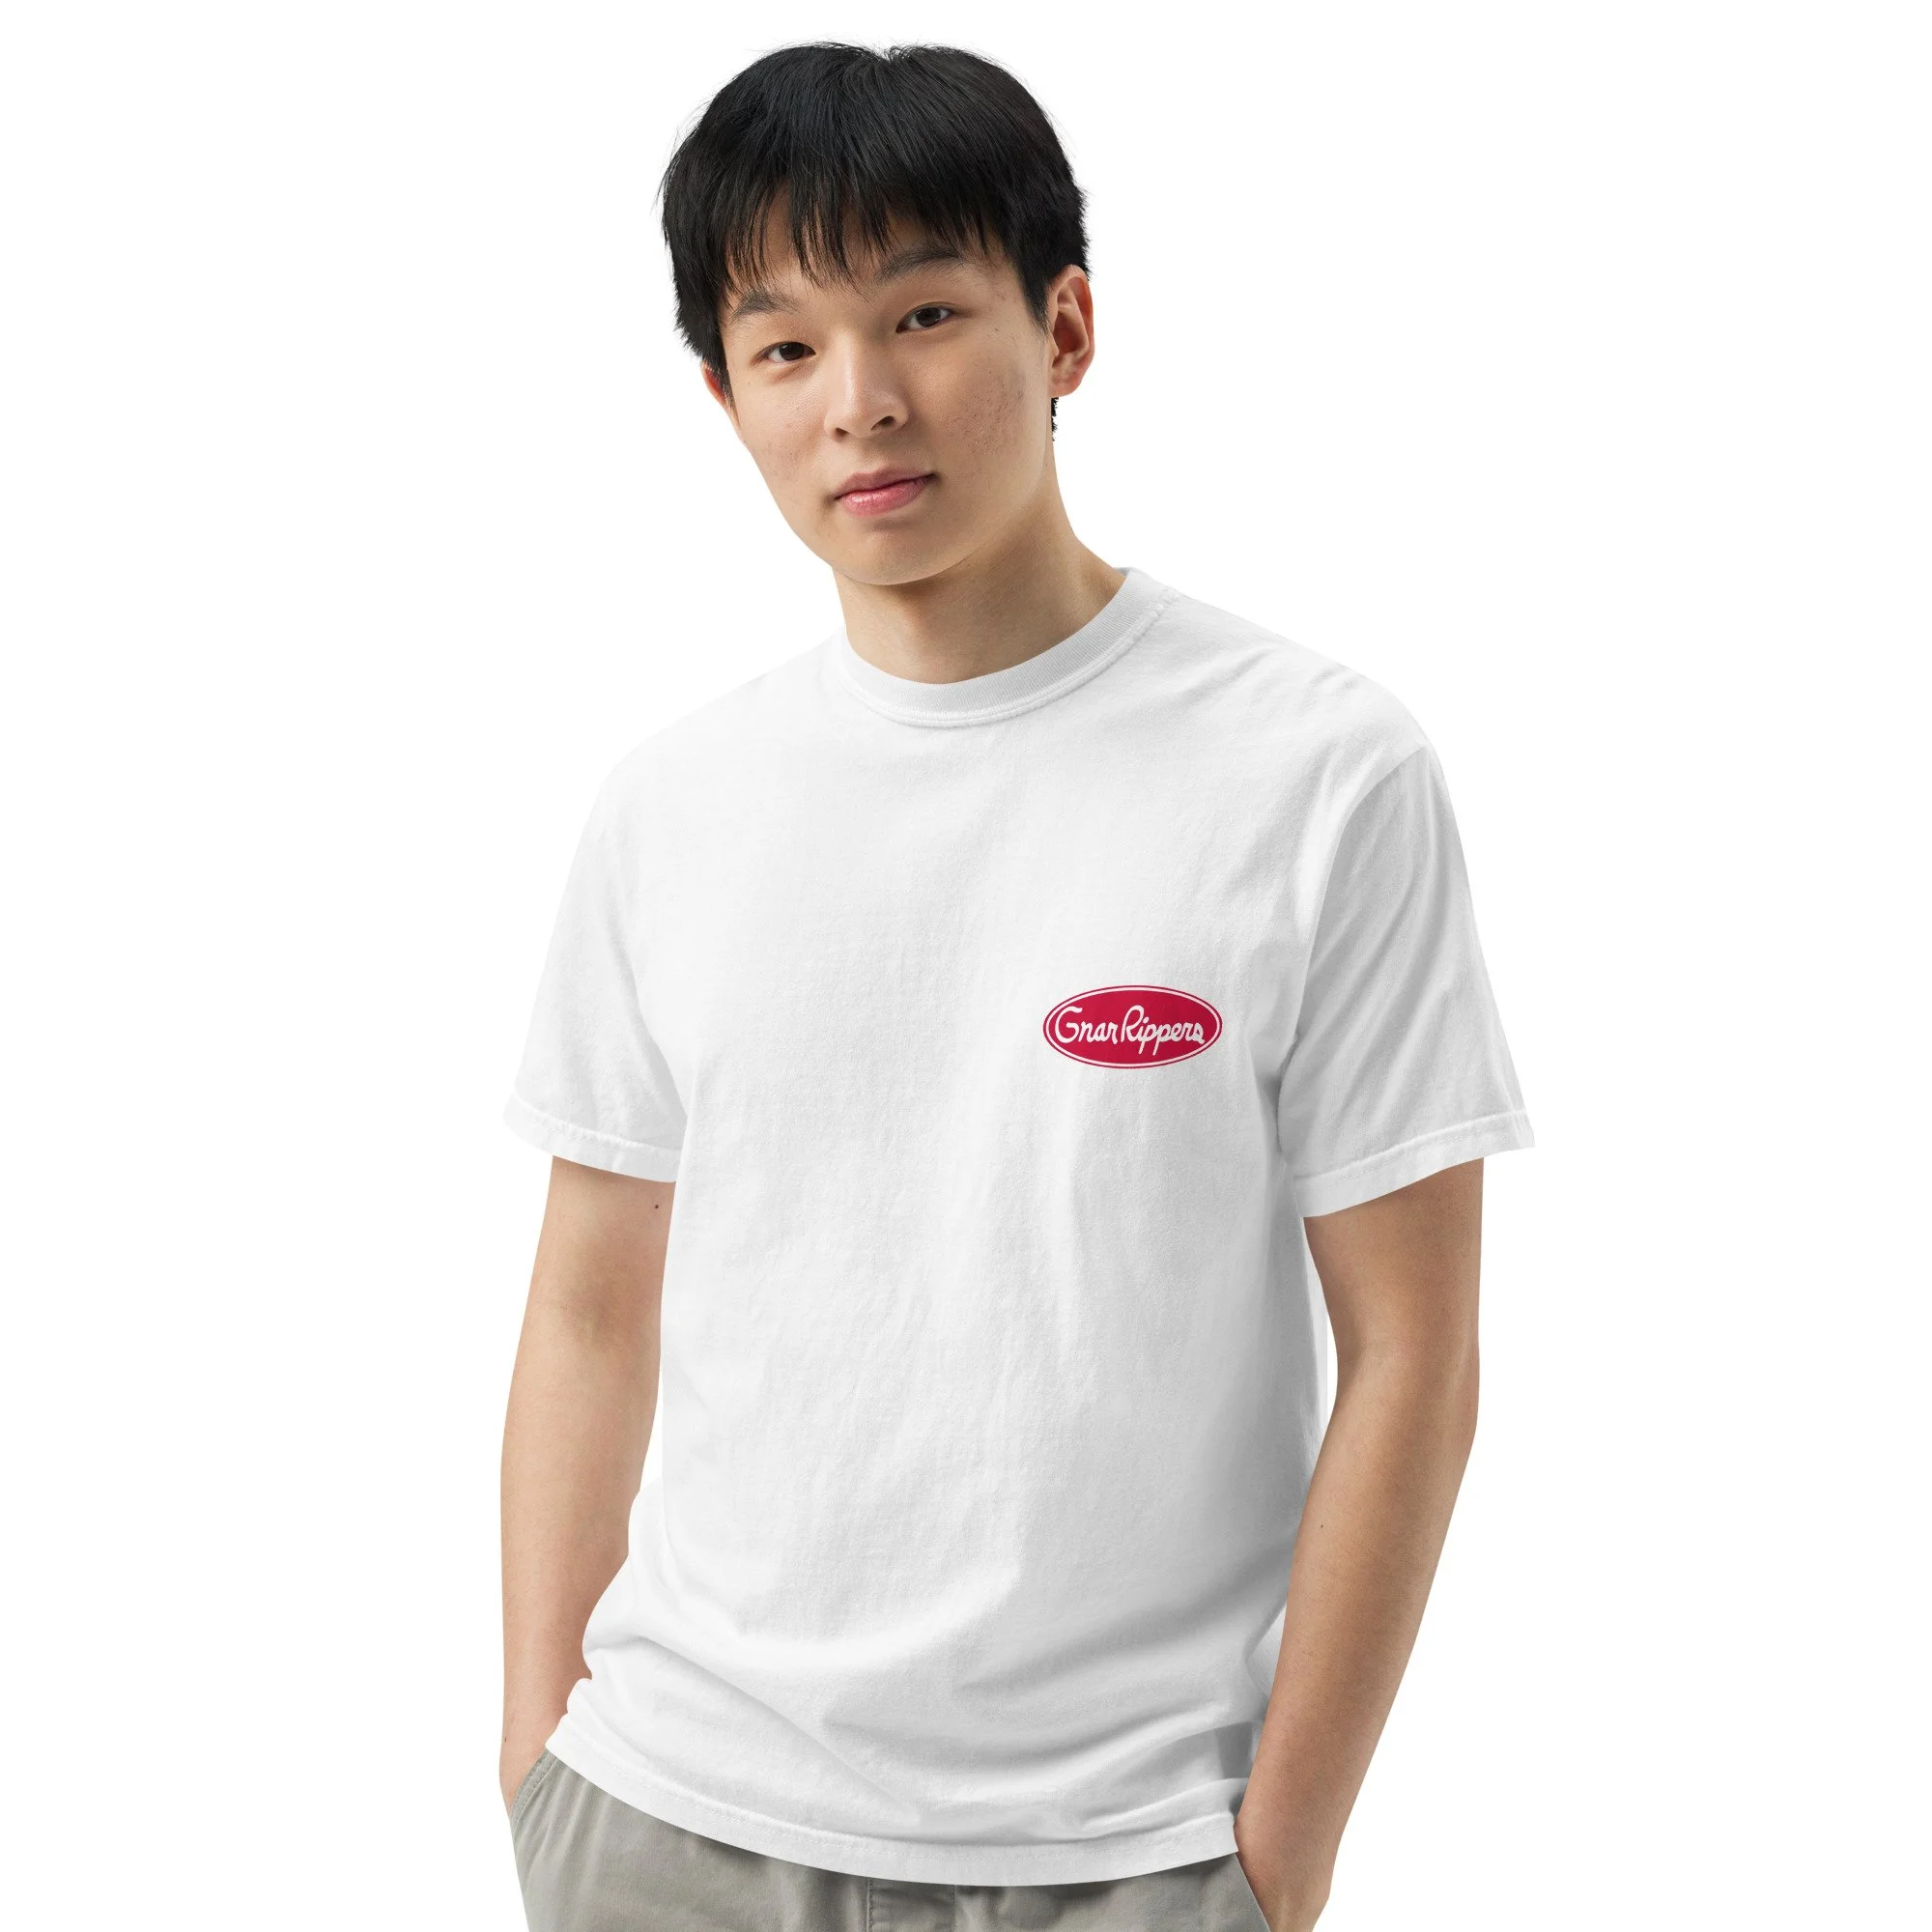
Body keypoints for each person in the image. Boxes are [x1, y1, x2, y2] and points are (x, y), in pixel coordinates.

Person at [497, 40, 1534, 1932]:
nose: (863, 404)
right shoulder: (671, 807)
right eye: (786, 346)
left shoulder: (1316, 775)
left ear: (1064, 328)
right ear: (723, 393)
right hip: (664, 1824)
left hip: (1124, 1855)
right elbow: (584, 1311)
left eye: (922, 314)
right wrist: (537, 1767)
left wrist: (1277, 1853)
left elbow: (1416, 1350)